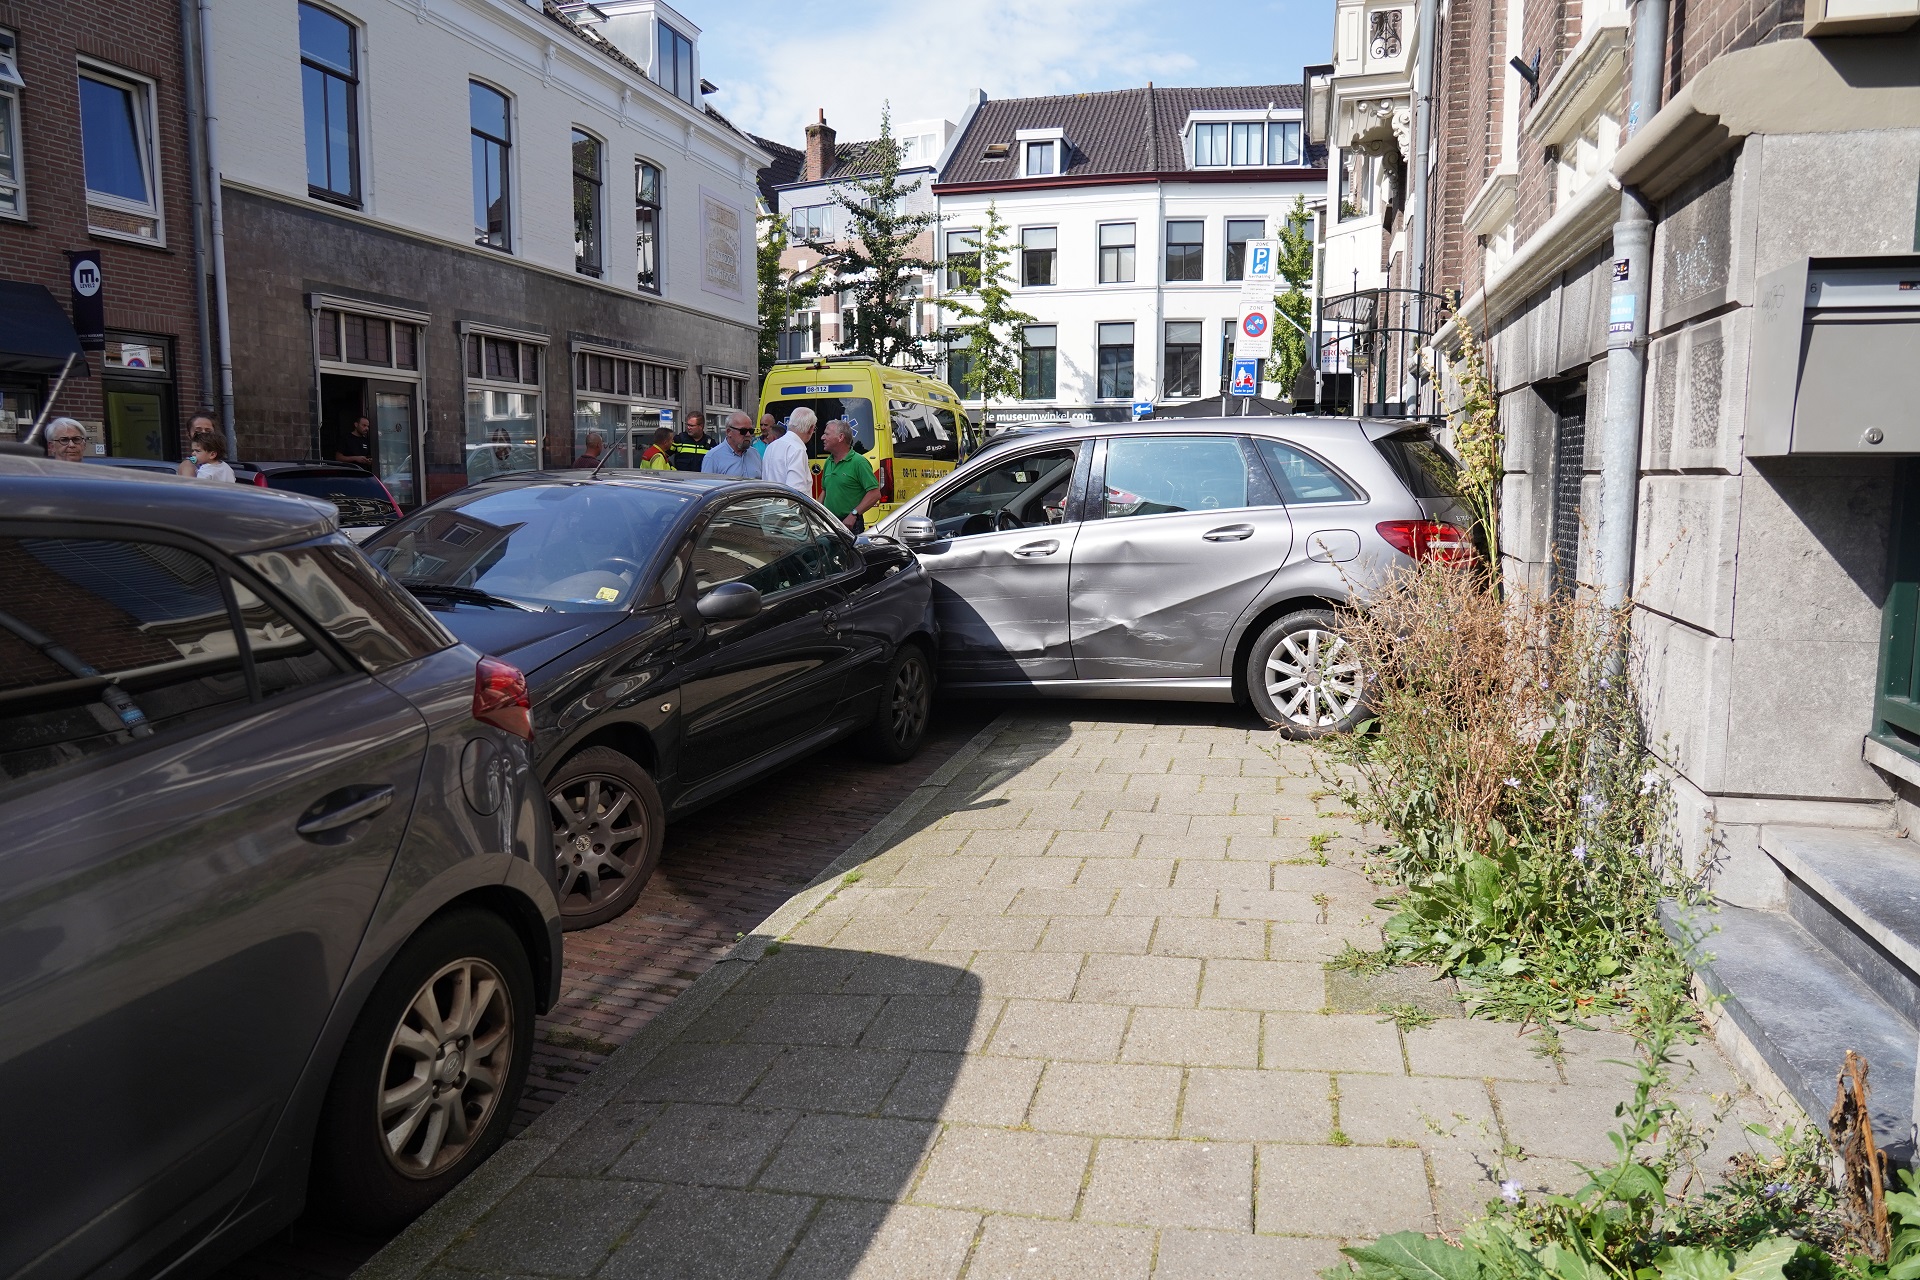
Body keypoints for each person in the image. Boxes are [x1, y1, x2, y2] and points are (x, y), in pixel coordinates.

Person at [820, 418, 882, 532]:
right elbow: (824, 491)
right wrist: (815, 514)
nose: (822, 437)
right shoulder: (829, 461)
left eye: (826, 434)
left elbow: (875, 493)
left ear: (840, 437)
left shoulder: (859, 462)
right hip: (829, 523)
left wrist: (854, 514)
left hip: (850, 525)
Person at [762, 405, 814, 495]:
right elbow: (797, 493)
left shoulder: (771, 446)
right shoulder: (797, 449)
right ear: (811, 429)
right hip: (787, 508)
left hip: (769, 506)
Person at [700, 410, 762, 478]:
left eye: (751, 431)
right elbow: (707, 485)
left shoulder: (755, 454)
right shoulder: (713, 457)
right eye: (743, 431)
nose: (748, 434)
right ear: (729, 432)